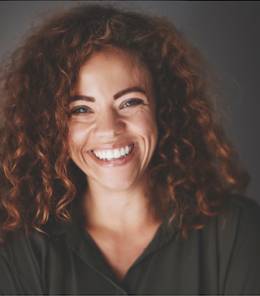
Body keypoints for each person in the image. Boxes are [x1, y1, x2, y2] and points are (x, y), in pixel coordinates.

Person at [0, 4, 259, 295]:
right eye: (82, 109)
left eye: (130, 102)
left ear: (163, 108)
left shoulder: (237, 232)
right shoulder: (18, 245)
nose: (109, 129)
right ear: (52, 125)